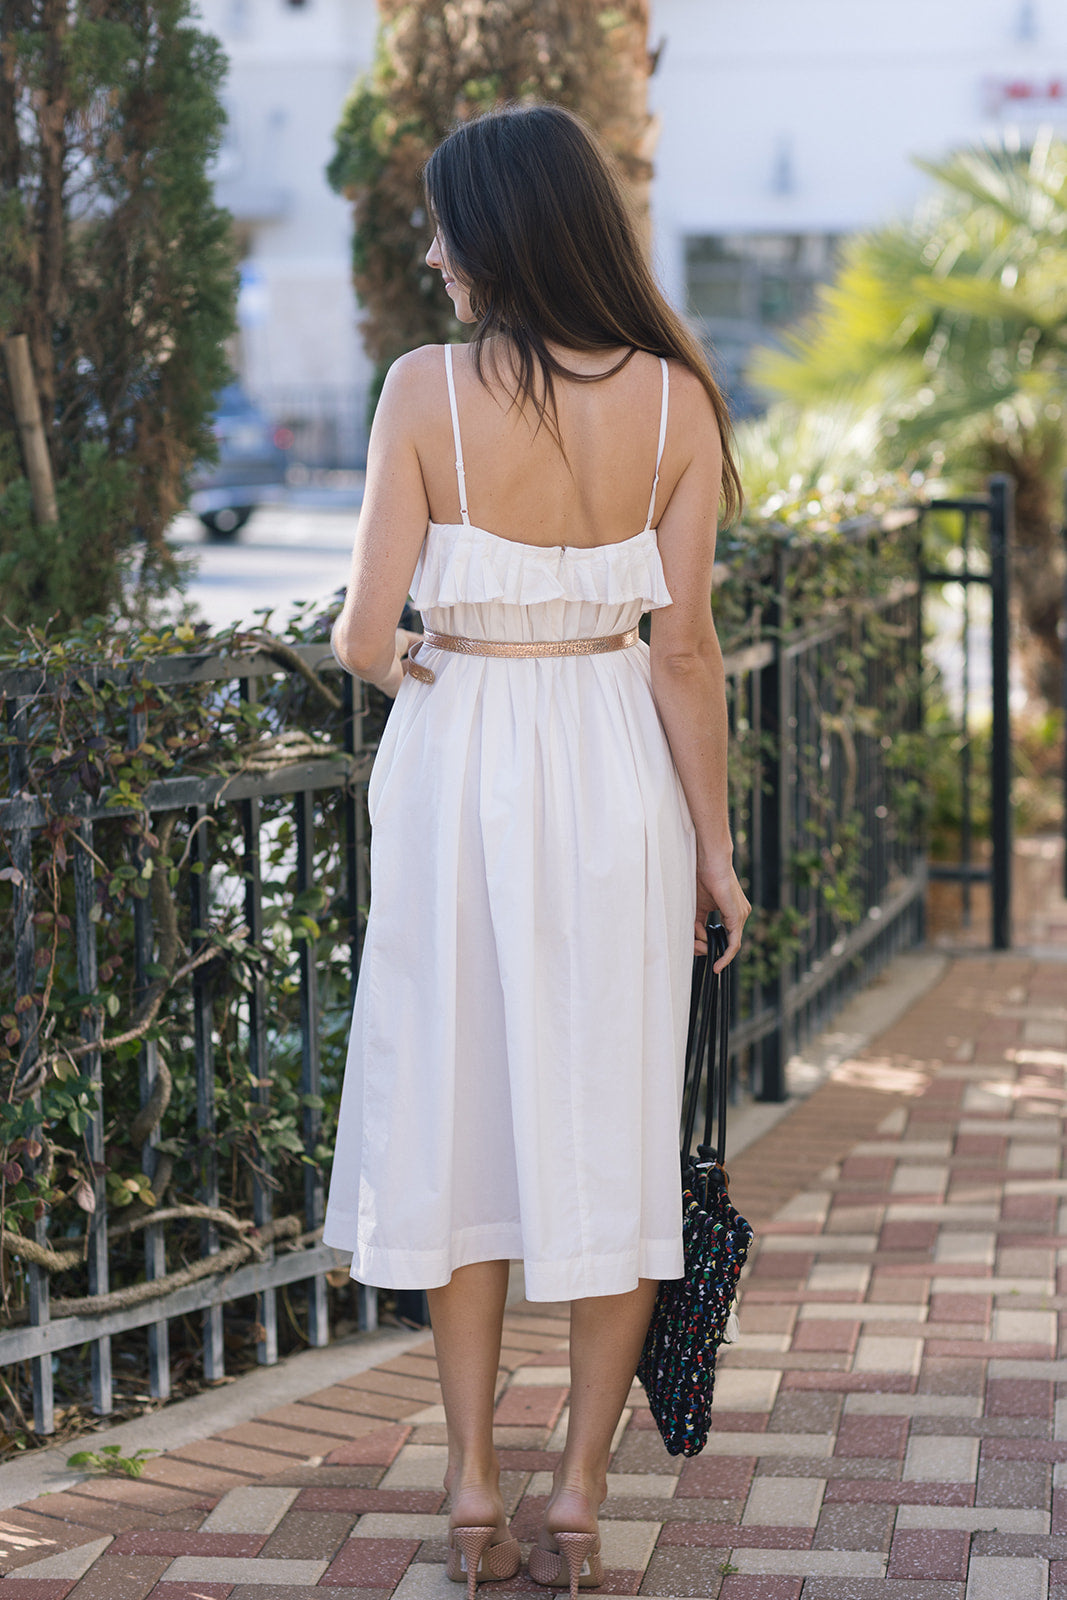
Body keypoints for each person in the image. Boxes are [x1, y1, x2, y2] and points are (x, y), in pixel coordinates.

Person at [323, 103, 750, 1600]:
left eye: (444, 224)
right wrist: (714, 848)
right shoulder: (679, 402)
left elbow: (367, 636)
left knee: (461, 1111)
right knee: (610, 1117)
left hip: (464, 771)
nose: (433, 253)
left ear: (497, 230)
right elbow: (684, 649)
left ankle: (469, 1486)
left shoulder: (423, 391)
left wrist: (433, 669)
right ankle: (580, 1490)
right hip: (618, 769)